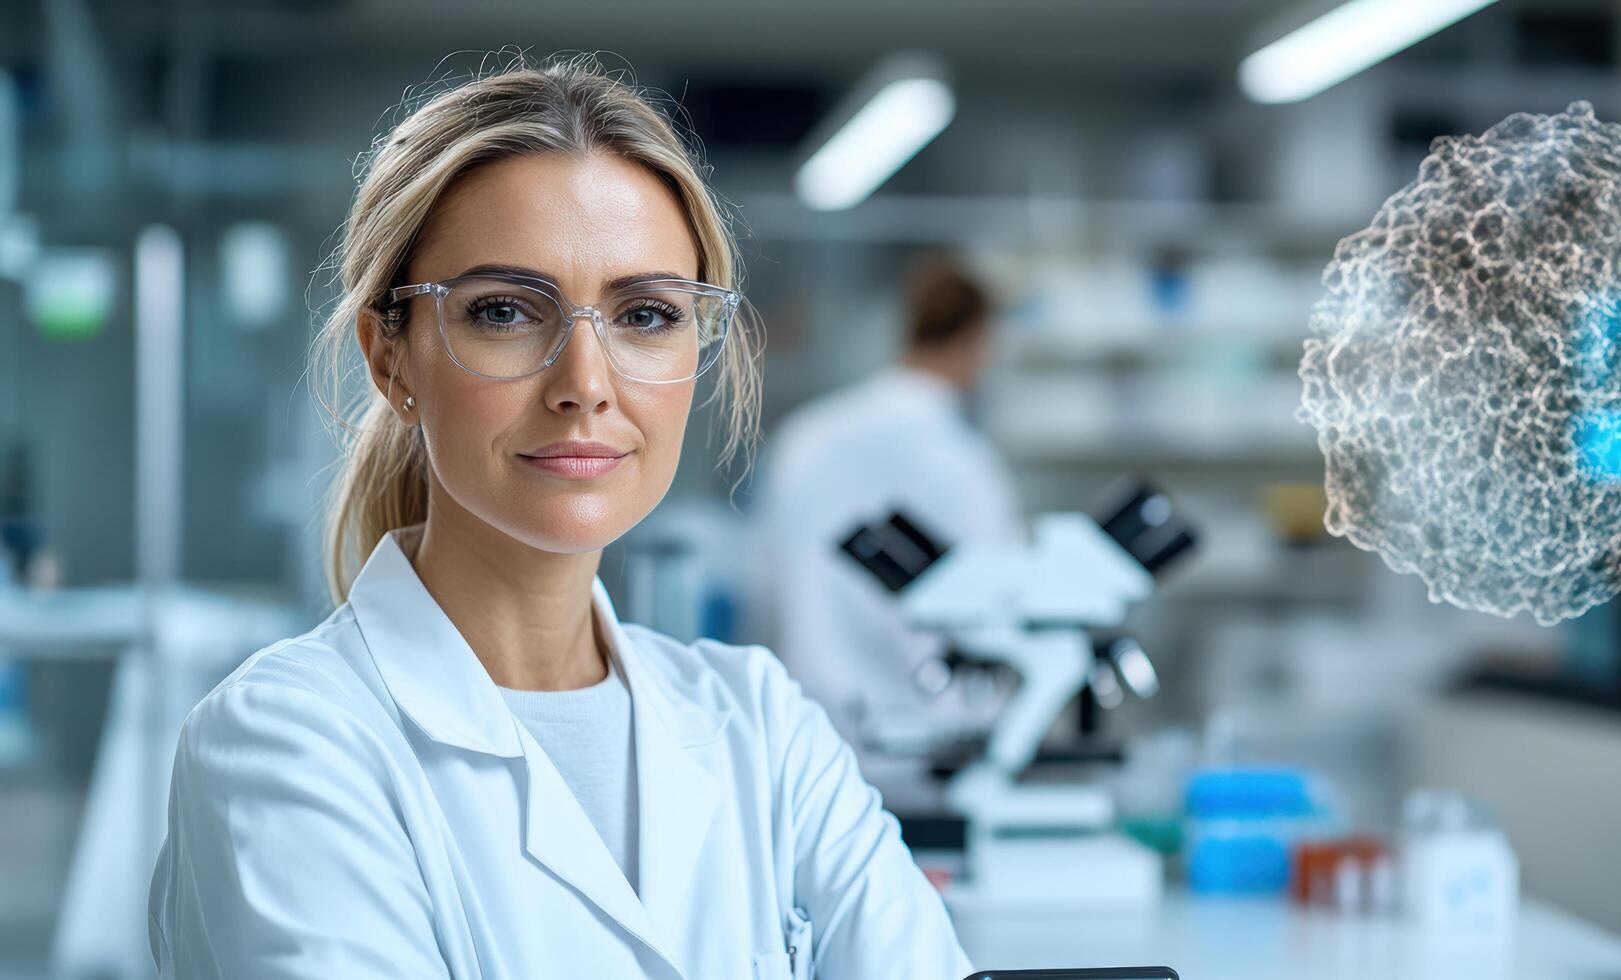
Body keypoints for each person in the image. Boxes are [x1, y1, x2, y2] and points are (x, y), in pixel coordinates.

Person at [146, 55, 972, 980]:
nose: (586, 385)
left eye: (646, 314)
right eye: (505, 311)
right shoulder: (288, 745)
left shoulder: (762, 728)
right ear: (391, 360)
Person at [755, 257, 1024, 767]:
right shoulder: (960, 459)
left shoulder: (807, 436)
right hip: (929, 743)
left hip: (807, 733)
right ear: (979, 339)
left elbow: (767, 578)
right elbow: (999, 601)